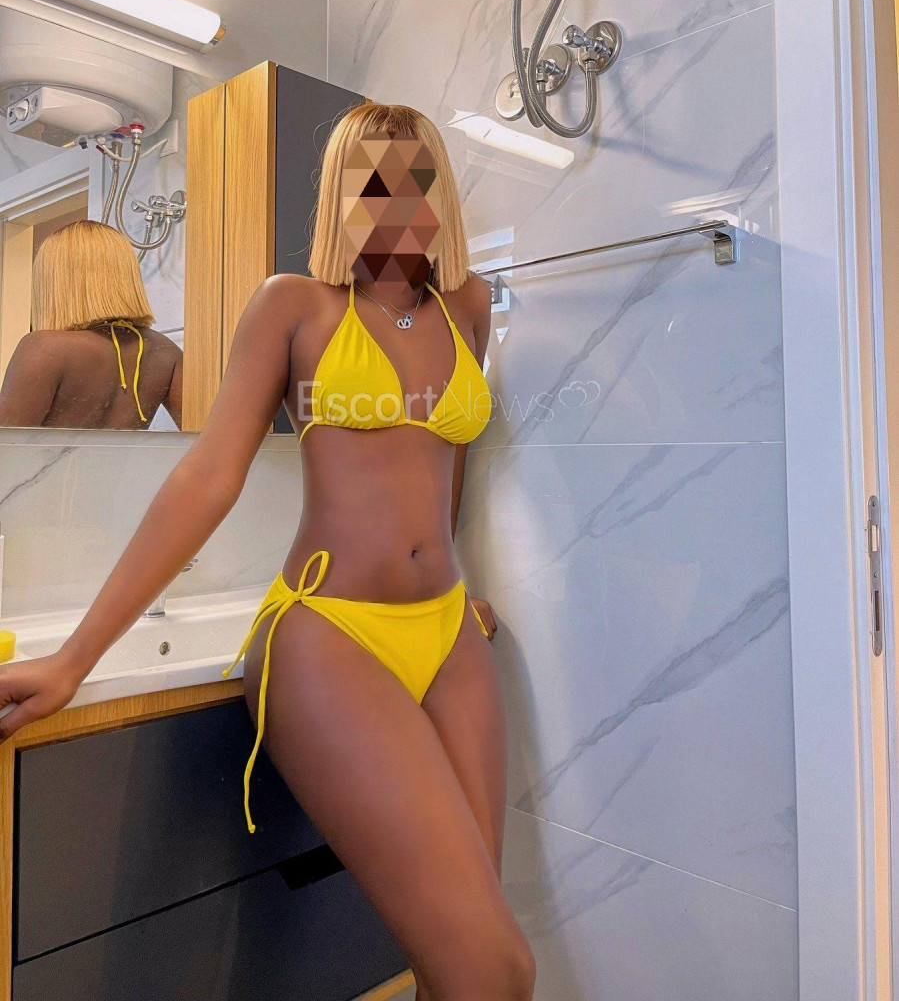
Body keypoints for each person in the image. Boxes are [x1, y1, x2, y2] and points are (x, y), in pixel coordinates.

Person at [0, 103, 537, 1001]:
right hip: (331, 635)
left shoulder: (468, 307)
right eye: (372, 183)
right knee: (496, 967)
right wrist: (73, 658)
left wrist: (459, 577)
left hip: (449, 633)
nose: (397, 202)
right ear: (340, 198)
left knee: (464, 960)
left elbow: (444, 462)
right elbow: (206, 478)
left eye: (417, 180)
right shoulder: (294, 305)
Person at [0, 219, 182, 429]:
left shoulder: (44, 347)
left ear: (54, 281)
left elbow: (6, 443)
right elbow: (198, 434)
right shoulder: (166, 351)